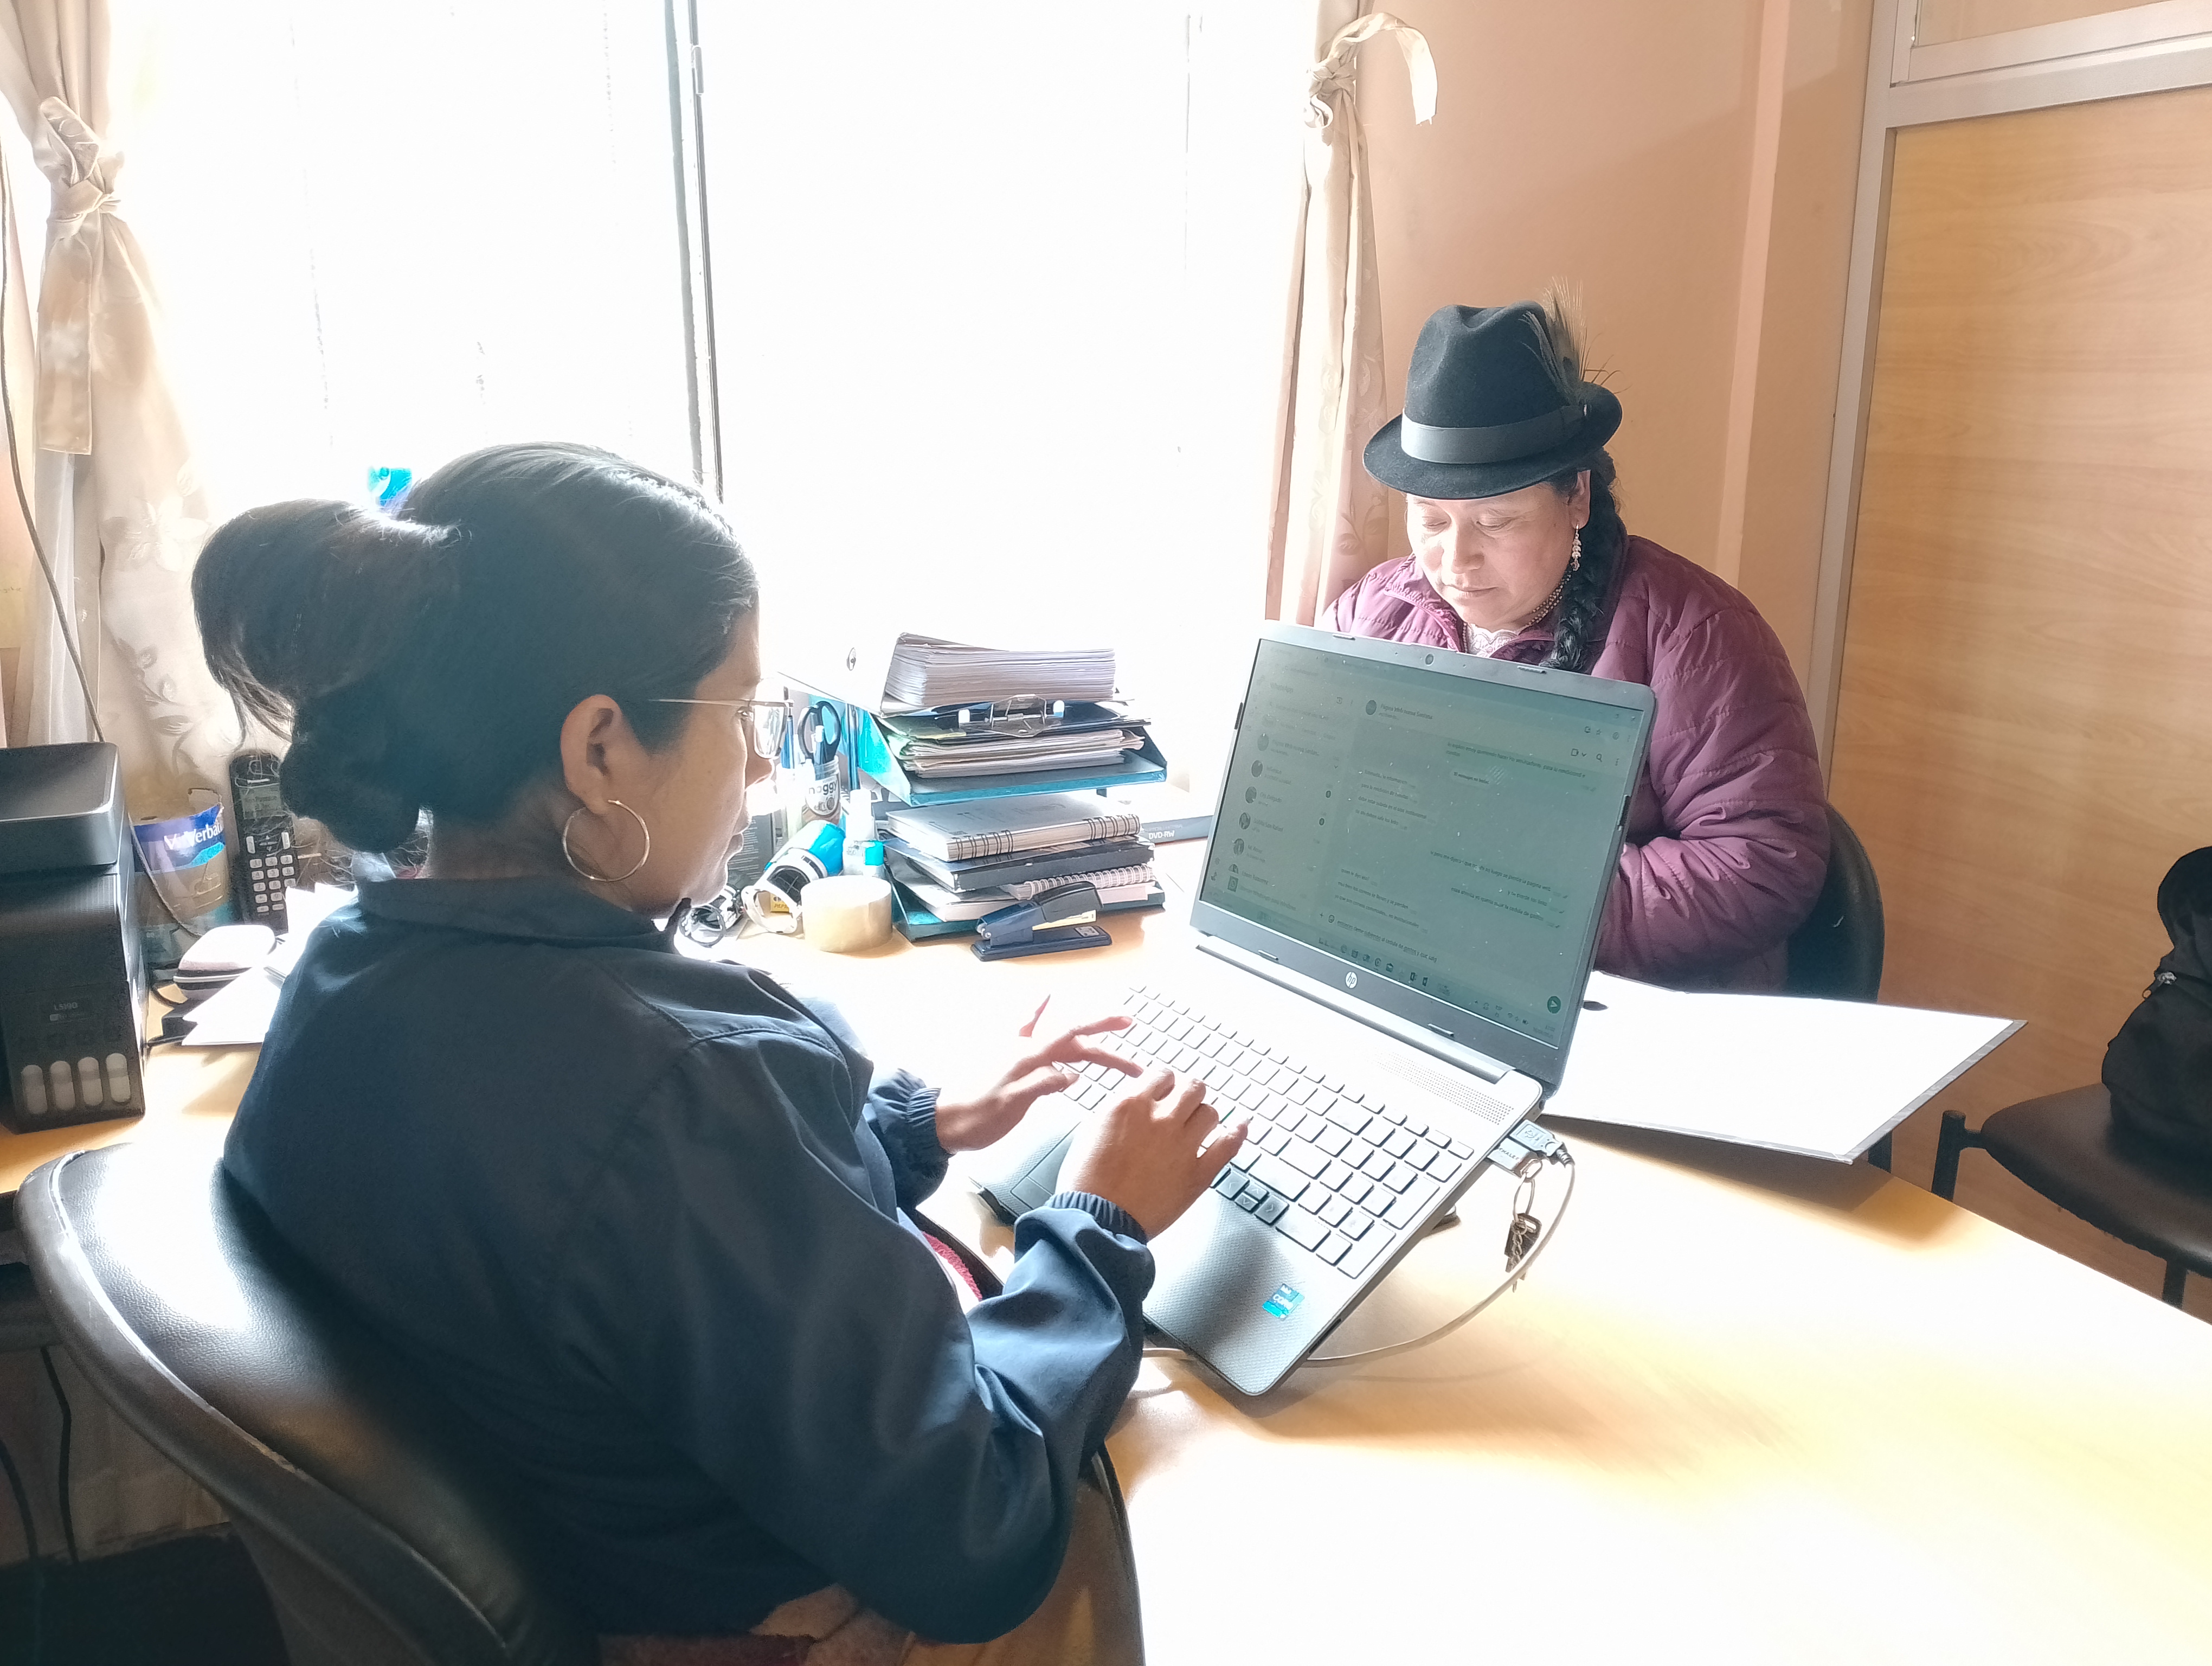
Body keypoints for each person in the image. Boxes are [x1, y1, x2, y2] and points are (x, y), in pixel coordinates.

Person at [192, 443, 1246, 1662]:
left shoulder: (346, 973)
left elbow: (630, 1243)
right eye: (739, 714)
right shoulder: (686, 1089)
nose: (758, 763)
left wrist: (911, 1128)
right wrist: (1101, 1224)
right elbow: (974, 1531)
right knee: (1179, 1499)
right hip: (765, 1623)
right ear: (600, 749)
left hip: (596, 1538)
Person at [1326, 299, 1830, 991]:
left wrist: (1516, 907)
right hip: (1412, 970)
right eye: (1432, 520)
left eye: (1496, 521)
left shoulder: (1694, 633)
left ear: (1578, 499)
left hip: (1613, 1005)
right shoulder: (1375, 609)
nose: (1456, 560)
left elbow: (1761, 864)